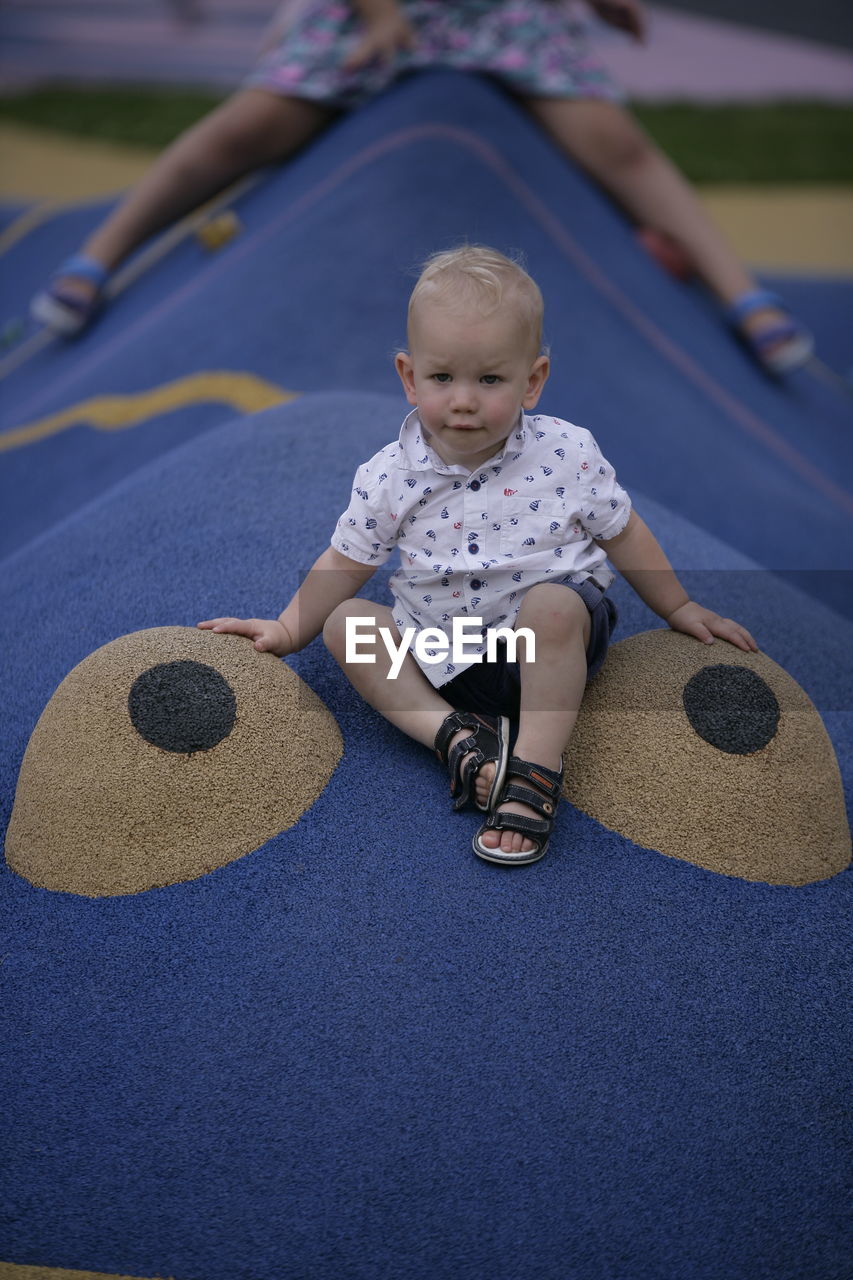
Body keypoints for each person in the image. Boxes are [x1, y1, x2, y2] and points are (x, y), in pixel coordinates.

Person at [198, 246, 757, 866]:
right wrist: (284, 628)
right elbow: (345, 562)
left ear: (533, 380)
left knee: (551, 606)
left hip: (545, 645)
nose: (464, 400)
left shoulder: (565, 455)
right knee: (345, 626)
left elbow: (622, 531)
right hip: (443, 652)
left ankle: (534, 771)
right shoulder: (390, 477)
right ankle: (455, 738)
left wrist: (676, 605)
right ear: (410, 377)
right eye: (443, 379)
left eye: (490, 380)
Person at [32, 0, 811, 374]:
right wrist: (374, 17)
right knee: (247, 129)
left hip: (500, 13)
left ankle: (742, 297)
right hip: (375, 9)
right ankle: (100, 255)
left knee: (616, 143)